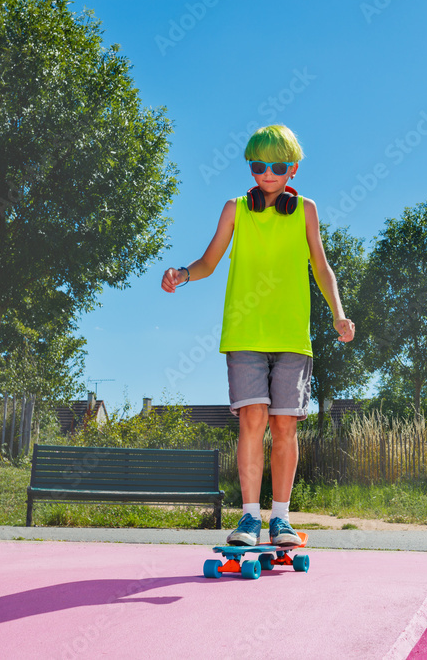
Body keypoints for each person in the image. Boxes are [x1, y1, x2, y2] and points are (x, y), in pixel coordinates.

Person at [162, 124, 354, 547]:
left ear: (294, 169)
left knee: (285, 426)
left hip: (290, 335)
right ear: (250, 167)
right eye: (258, 165)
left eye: (278, 166)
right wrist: (182, 274)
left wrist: (339, 313)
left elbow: (322, 268)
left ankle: (280, 519)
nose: (267, 173)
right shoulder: (235, 209)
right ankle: (249, 518)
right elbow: (210, 261)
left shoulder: (306, 210)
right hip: (245, 332)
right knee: (252, 420)